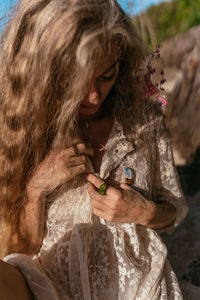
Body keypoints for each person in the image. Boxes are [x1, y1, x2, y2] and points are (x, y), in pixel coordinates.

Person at [0, 0, 188, 299]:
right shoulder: (28, 133)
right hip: (51, 289)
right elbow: (19, 252)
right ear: (48, 75)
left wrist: (142, 210)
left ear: (121, 63)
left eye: (106, 75)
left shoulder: (143, 121)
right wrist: (36, 188)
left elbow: (172, 213)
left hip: (141, 289)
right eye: (77, 80)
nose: (94, 95)